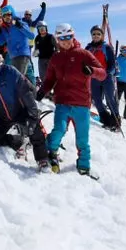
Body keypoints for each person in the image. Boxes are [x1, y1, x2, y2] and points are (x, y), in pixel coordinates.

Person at [37, 23, 107, 175]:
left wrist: (92, 71)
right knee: (58, 130)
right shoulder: (55, 58)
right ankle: (51, 152)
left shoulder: (84, 54)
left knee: (82, 138)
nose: (66, 41)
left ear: (73, 36)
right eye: (62, 38)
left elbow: (102, 73)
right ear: (57, 39)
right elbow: (49, 79)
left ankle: (83, 164)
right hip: (62, 102)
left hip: (81, 104)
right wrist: (43, 90)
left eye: (68, 37)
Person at [0, 46, 49, 169]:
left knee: (34, 130)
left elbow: (26, 92)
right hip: (3, 116)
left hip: (22, 112)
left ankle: (42, 160)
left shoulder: (10, 71)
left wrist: (33, 115)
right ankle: (19, 142)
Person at [85, 25, 120, 130]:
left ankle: (115, 122)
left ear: (102, 35)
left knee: (110, 99)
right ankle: (106, 120)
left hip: (106, 77)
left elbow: (112, 62)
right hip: (94, 78)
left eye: (98, 34)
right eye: (94, 34)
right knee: (97, 100)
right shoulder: (88, 48)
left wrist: (108, 72)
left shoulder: (106, 47)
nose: (96, 36)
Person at [0, 6, 36, 88]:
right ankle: (31, 92)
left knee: (17, 78)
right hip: (13, 56)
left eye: (9, 15)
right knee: (18, 77)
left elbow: (31, 36)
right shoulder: (4, 28)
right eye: (4, 16)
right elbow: (0, 42)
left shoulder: (21, 23)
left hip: (22, 53)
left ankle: (19, 97)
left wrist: (20, 26)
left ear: (12, 14)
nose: (7, 17)